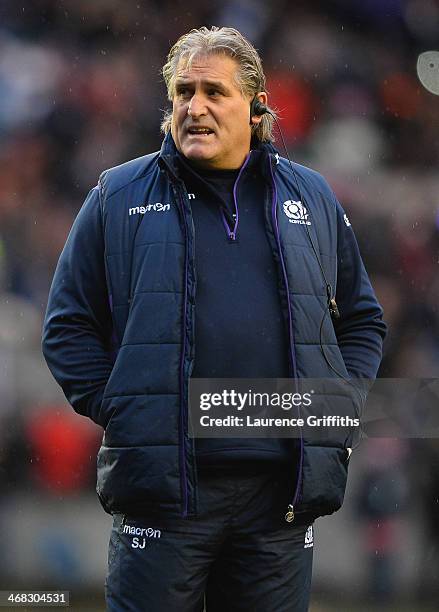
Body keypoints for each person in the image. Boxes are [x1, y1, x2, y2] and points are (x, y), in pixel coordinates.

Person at [42, 26, 386, 612]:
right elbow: (67, 327)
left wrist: (337, 402)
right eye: (182, 92)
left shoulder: (313, 196)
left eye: (213, 92)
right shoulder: (117, 195)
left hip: (281, 497)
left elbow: (362, 322)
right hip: (165, 496)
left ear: (255, 109)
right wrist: (128, 407)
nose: (194, 107)